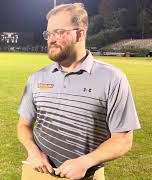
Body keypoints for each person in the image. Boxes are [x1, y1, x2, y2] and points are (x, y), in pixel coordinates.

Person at [17, 3, 140, 180]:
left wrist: (86, 161)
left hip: (86, 176)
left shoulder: (112, 78)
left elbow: (123, 140)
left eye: (59, 32)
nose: (51, 39)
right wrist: (33, 151)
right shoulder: (37, 77)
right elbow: (23, 125)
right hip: (36, 173)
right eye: (49, 33)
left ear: (80, 33)